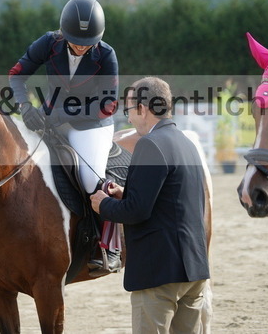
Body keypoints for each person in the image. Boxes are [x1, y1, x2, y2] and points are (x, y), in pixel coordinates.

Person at [8, 0, 120, 272]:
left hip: (92, 125)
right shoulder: (49, 43)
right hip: (49, 118)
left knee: (91, 178)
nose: (82, 48)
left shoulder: (106, 55)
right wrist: (24, 106)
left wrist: (63, 114)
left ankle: (107, 244)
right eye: (76, 42)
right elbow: (17, 74)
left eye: (88, 43)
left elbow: (108, 105)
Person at [90, 76, 210, 334]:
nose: (129, 119)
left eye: (130, 111)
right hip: (194, 271)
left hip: (159, 274)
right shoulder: (186, 143)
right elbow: (173, 198)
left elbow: (136, 211)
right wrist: (127, 192)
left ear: (143, 109)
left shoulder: (149, 144)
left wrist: (104, 205)